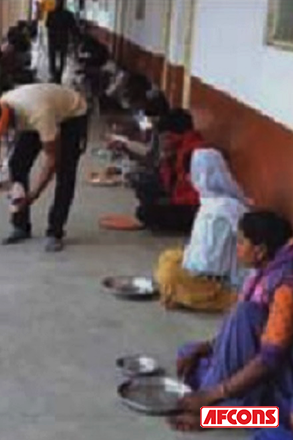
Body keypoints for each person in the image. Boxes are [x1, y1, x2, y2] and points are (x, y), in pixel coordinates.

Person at [170, 211, 293, 431]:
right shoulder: (263, 274)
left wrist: (212, 397)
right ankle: (222, 404)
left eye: (241, 242)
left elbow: (268, 360)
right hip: (265, 363)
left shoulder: (285, 286)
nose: (237, 248)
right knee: (189, 353)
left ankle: (217, 412)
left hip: (282, 378)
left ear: (260, 250)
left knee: (276, 422)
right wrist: (206, 346)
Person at [0, 83, 88, 252]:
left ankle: (55, 231)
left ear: (4, 123)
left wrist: (33, 195)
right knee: (17, 163)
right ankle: (21, 226)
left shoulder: (39, 114)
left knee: (65, 172)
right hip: (36, 112)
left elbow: (52, 160)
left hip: (71, 115)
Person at [155, 148, 248, 312]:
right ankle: (180, 292)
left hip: (216, 280)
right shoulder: (210, 202)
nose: (191, 178)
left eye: (195, 173)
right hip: (201, 268)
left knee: (169, 274)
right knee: (168, 258)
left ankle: (210, 298)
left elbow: (209, 262)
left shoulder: (225, 208)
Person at [134, 108, 202, 232]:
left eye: (164, 137)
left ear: (172, 135)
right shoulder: (178, 149)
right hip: (180, 197)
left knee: (145, 212)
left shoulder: (192, 153)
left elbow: (195, 194)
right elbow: (167, 181)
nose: (162, 141)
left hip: (193, 209)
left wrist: (171, 201)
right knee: (143, 185)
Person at [46, 0, 76, 83]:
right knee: (61, 58)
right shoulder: (68, 14)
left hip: (53, 39)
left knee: (53, 57)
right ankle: (58, 75)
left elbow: (48, 26)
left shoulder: (51, 13)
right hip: (63, 39)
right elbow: (73, 28)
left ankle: (54, 75)